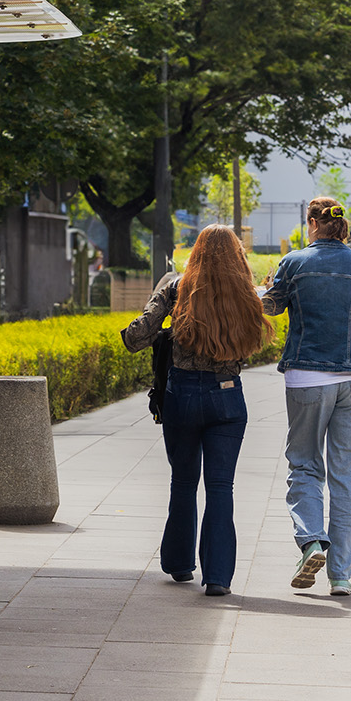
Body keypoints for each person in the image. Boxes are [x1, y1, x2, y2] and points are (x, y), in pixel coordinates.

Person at [123, 224, 273, 598]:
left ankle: (178, 563)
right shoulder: (245, 292)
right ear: (237, 256)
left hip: (182, 395)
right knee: (221, 486)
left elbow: (136, 338)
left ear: (196, 252)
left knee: (183, 481)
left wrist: (161, 303)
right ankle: (218, 576)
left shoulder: (177, 287)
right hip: (227, 396)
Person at [260, 197, 351, 596]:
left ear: (312, 224)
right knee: (350, 476)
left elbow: (272, 306)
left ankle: (312, 542)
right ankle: (341, 575)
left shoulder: (294, 262)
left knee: (304, 464)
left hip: (305, 379)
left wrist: (264, 289)